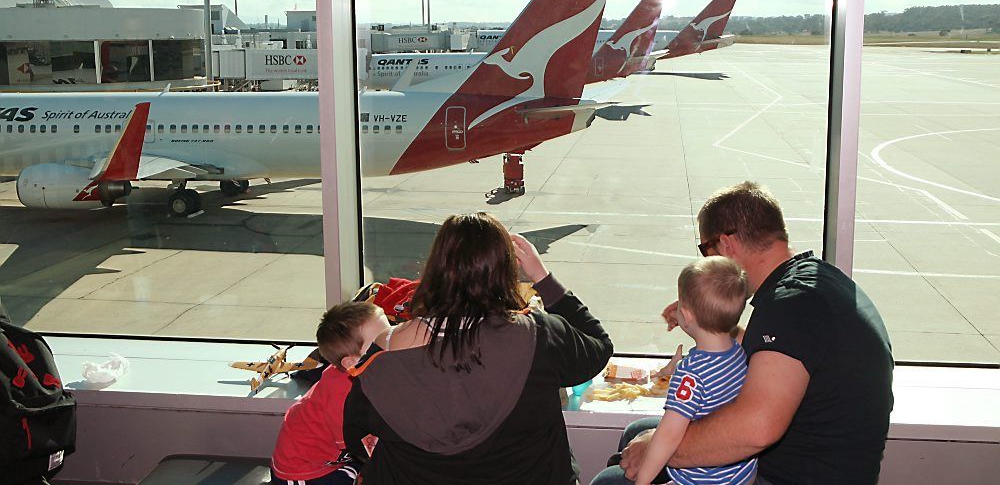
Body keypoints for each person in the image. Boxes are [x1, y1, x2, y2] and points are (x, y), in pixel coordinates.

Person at [593, 181, 893, 485]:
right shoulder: (815, 283)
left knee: (612, 480)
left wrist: (661, 451)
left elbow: (758, 427)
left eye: (705, 250)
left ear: (726, 246)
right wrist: (708, 321)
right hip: (827, 462)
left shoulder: (789, 307)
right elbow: (779, 356)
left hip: (790, 475)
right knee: (638, 432)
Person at [343, 212, 614, 485]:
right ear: (506, 271)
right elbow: (599, 346)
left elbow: (357, 442)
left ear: (436, 268)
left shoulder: (382, 360)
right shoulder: (540, 336)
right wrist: (542, 278)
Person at [633, 256, 755, 485]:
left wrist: (643, 481)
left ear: (687, 315)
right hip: (742, 475)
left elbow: (669, 436)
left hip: (703, 480)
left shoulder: (691, 375)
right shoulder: (739, 351)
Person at [270, 301, 390, 485]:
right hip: (301, 472)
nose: (393, 340)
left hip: (330, 458)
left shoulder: (354, 375)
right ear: (352, 363)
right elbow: (362, 447)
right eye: (383, 340)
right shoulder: (342, 398)